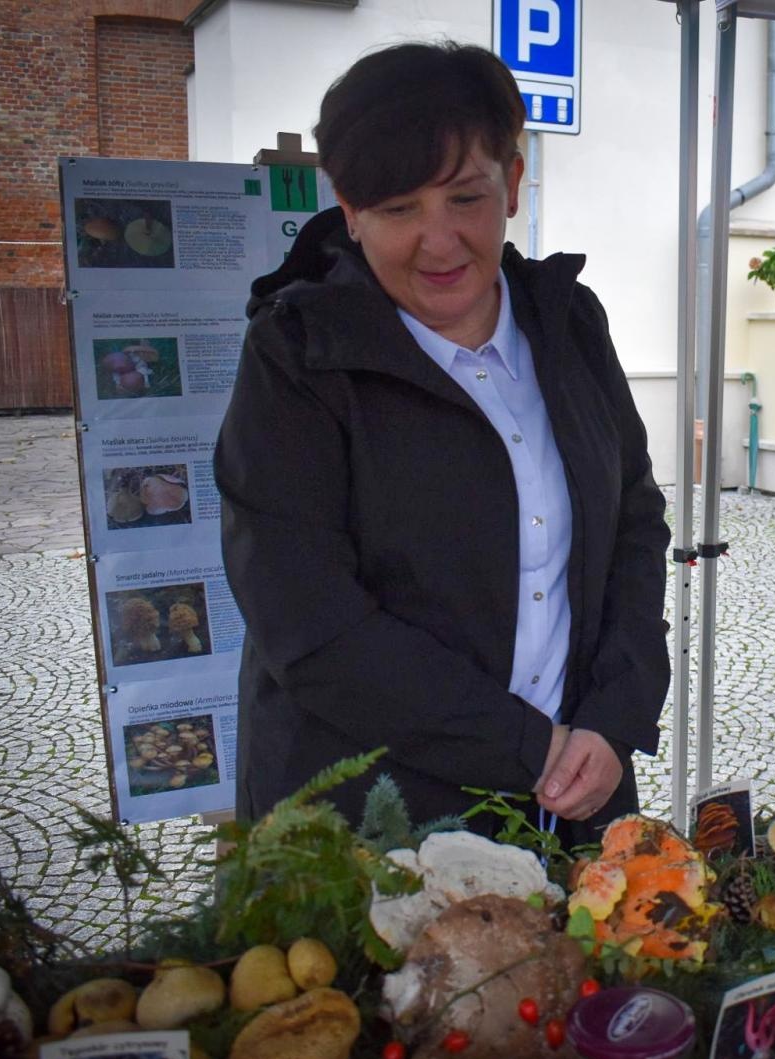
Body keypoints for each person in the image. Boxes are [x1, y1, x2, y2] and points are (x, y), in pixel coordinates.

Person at [215, 42, 671, 842]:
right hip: (368, 826)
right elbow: (312, 625)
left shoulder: (569, 324)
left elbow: (634, 518)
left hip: (572, 799)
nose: (439, 241)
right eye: (397, 209)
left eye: (466, 198)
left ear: (514, 184)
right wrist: (530, 747)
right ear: (349, 210)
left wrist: (614, 715)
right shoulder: (298, 357)